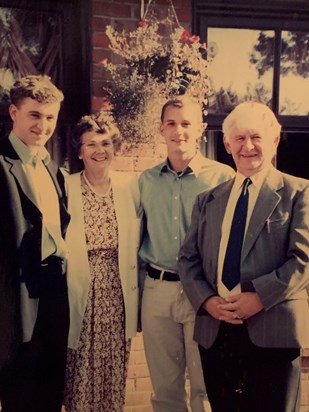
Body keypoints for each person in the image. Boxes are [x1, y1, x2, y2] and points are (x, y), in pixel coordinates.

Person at [178, 101, 309, 412]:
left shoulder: (298, 192)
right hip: (217, 331)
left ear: (275, 140)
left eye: (256, 137)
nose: (247, 146)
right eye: (239, 138)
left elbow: (302, 259)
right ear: (226, 143)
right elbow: (187, 259)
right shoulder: (207, 200)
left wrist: (259, 298)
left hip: (272, 330)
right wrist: (207, 301)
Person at [139, 96, 235, 412]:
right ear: (161, 129)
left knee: (205, 388)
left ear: (201, 130)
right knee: (165, 390)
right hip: (157, 291)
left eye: (186, 123)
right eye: (171, 123)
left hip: (204, 293)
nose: (178, 130)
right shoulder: (146, 180)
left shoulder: (224, 179)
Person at [0, 75, 70, 412]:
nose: (43, 126)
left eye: (50, 117)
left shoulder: (51, 168)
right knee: (19, 386)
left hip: (54, 288)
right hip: (13, 294)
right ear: (14, 112)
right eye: (34, 115)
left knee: (50, 383)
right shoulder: (1, 164)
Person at [63, 112, 141, 412]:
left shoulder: (129, 187)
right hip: (79, 288)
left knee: (112, 368)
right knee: (79, 368)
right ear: (80, 151)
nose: (100, 150)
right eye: (91, 144)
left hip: (117, 292)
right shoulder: (66, 187)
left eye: (106, 143)